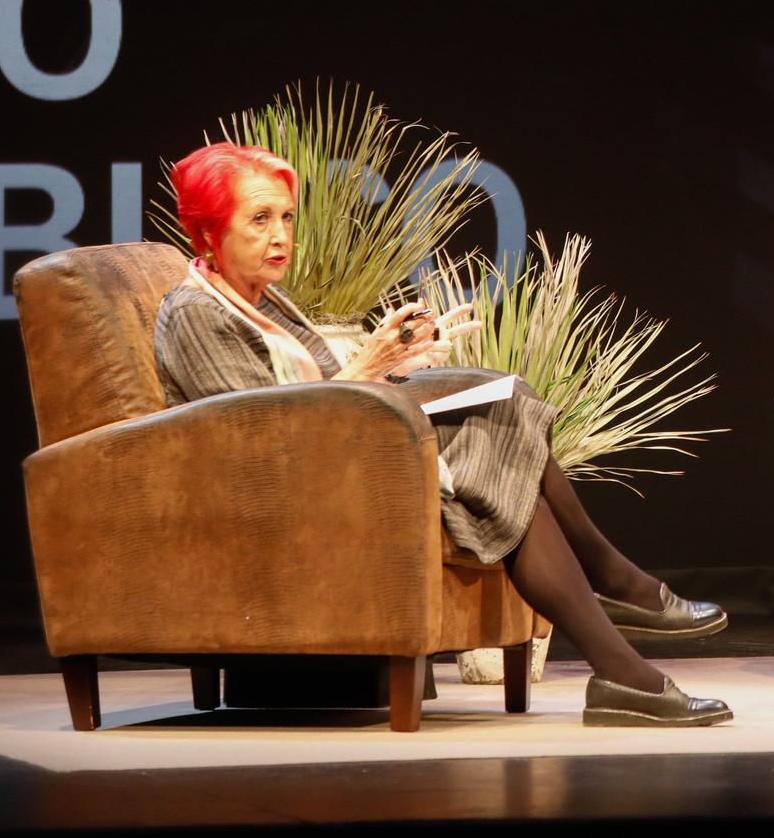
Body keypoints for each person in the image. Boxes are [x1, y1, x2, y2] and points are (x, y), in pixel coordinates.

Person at [152, 142, 731, 727]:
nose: (281, 235)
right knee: (498, 430)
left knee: (503, 393)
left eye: (286, 217)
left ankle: (620, 645)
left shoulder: (261, 299)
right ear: (207, 230)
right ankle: (615, 601)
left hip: (337, 452)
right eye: (259, 219)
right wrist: (366, 368)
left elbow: (319, 395)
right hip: (288, 492)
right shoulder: (195, 313)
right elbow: (257, 438)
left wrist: (399, 361)